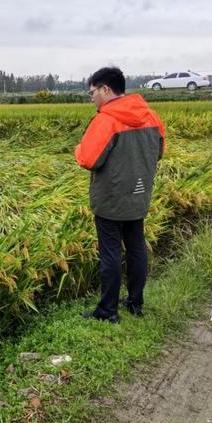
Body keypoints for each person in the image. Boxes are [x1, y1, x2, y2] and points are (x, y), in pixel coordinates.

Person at [75, 67, 165, 323]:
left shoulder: (106, 120)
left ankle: (107, 311)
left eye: (92, 92)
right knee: (136, 247)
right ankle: (135, 302)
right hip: (139, 194)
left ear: (105, 89)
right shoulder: (151, 116)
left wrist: (78, 149)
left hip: (111, 199)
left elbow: (89, 159)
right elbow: (159, 152)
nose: (91, 97)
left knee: (111, 252)